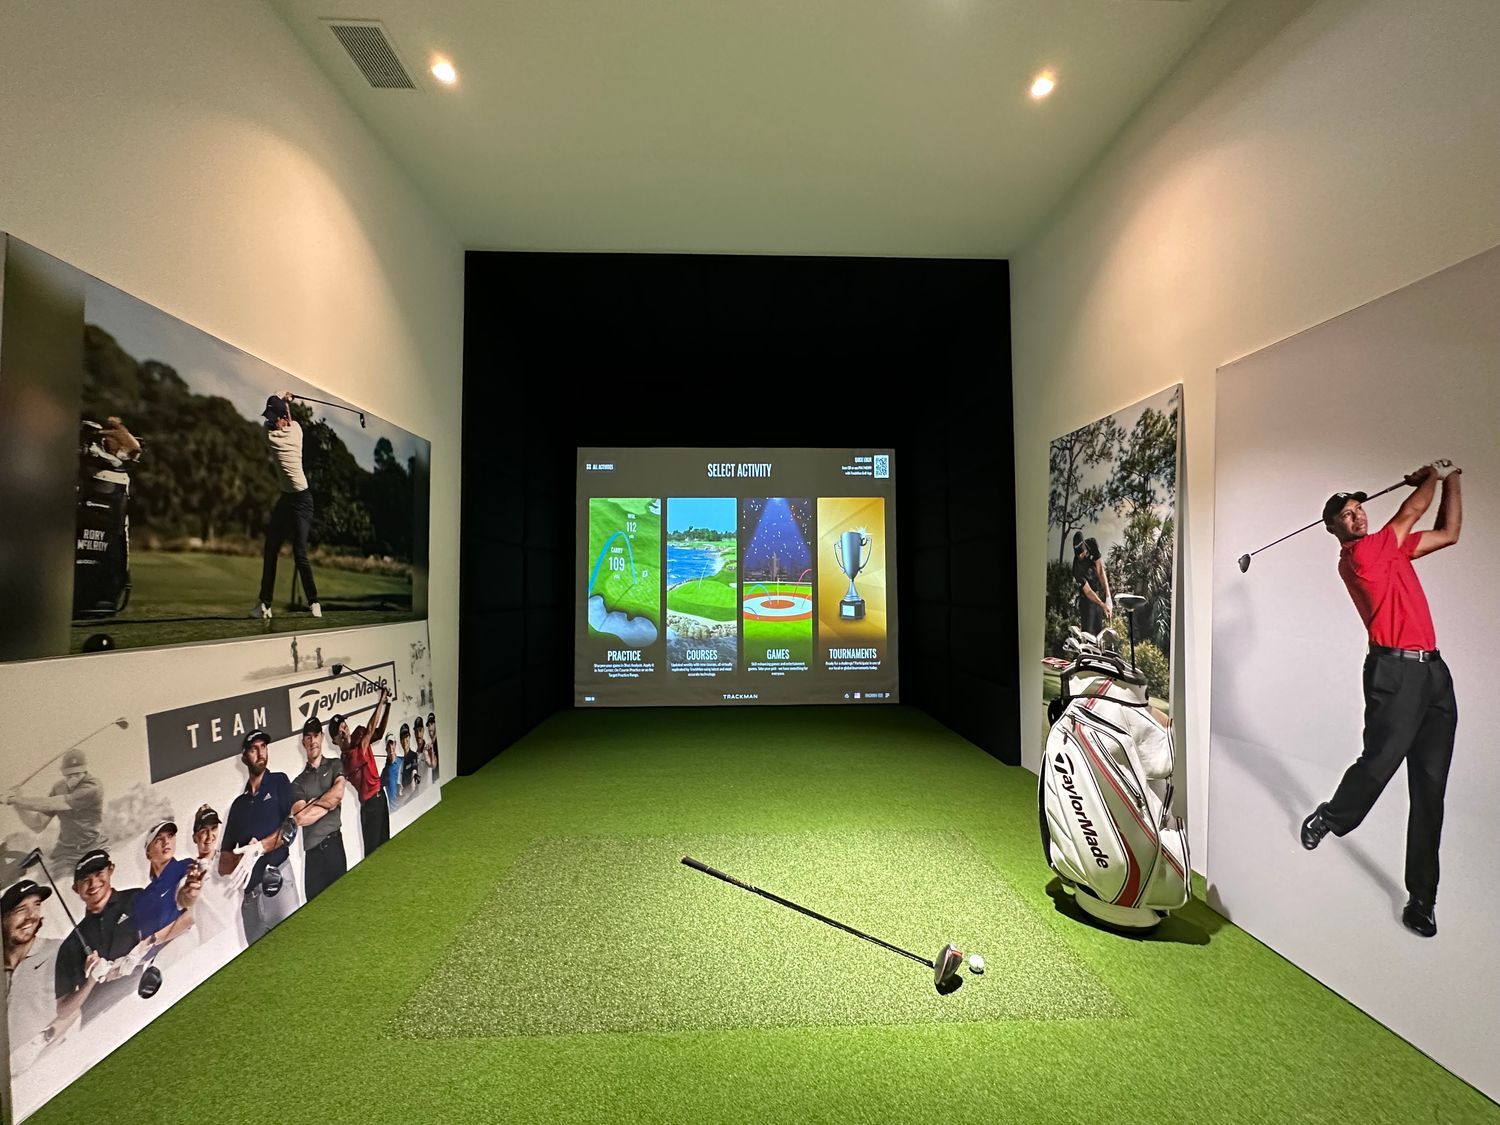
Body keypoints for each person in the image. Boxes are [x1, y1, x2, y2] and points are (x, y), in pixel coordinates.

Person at [1301, 460, 1463, 937]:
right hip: (1394, 672)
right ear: (1332, 528)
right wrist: (1430, 476)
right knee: (1379, 763)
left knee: (1430, 789)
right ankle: (1332, 816)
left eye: (1358, 509)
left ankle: (1423, 899)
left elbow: (1449, 532)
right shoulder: (1360, 556)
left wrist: (1453, 479)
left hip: (1434, 673)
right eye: (1345, 515)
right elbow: (1411, 511)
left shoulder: (1390, 549)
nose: (1356, 516)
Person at [54, 849, 192, 1029]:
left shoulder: (137, 898)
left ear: (111, 869)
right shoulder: (71, 943)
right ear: (76, 888)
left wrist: (145, 945)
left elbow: (186, 920)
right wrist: (90, 982)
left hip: (145, 1001)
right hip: (100, 1024)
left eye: (99, 873)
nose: (93, 883)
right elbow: (63, 1011)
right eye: (85, 880)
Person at [220, 730, 299, 945]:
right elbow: (223, 864)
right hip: (250, 899)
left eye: (263, 747)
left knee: (292, 949)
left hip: (279, 884)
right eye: (254, 749)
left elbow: (291, 826)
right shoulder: (238, 806)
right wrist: (243, 856)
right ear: (245, 757)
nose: (260, 752)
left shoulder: (279, 782)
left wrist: (259, 848)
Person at [251, 392, 320, 620]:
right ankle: (265, 604)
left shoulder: (270, 437)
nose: (271, 423)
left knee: (299, 552)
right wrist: (286, 403)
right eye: (269, 418)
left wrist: (284, 399)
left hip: (302, 502)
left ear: (283, 418)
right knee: (271, 547)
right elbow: (289, 419)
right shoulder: (297, 431)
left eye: (274, 419)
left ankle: (314, 602)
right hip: (287, 499)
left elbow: (281, 417)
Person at [5, 748, 109, 880]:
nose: (73, 779)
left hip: (94, 846)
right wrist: (17, 804)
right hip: (67, 853)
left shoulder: (92, 787)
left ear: (85, 771)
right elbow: (37, 824)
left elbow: (53, 803)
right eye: (69, 775)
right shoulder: (59, 788)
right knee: (63, 885)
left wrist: (14, 800)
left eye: (77, 774)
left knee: (98, 882)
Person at [5, 878, 62, 1069]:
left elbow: (76, 1007)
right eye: (20, 909)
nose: (31, 916)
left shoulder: (59, 950)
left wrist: (41, 1042)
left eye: (36, 905)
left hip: (53, 1061)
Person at [290, 717, 347, 901]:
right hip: (313, 855)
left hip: (334, 847)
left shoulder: (335, 764)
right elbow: (300, 818)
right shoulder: (297, 783)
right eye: (308, 737)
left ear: (322, 737)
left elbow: (338, 794)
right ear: (303, 743)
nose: (312, 740)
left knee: (342, 903)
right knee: (314, 909)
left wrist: (313, 803)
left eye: (316, 735)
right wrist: (329, 804)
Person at [132, 820, 205, 960]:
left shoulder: (186, 866)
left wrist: (154, 939)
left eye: (170, 836)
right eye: (159, 839)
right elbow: (141, 942)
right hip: (158, 961)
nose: (166, 842)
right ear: (148, 852)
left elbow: (192, 909)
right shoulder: (142, 898)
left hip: (190, 949)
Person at [330, 690, 391, 857]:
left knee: (387, 845)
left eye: (344, 726)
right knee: (373, 854)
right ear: (335, 741)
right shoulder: (347, 760)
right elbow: (370, 730)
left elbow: (378, 733)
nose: (344, 731)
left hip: (381, 797)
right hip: (370, 807)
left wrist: (388, 706)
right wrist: (381, 701)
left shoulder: (358, 733)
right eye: (340, 732)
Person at [187, 804, 238, 944]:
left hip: (239, 935)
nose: (210, 836)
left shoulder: (232, 859)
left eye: (214, 828)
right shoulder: (190, 875)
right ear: (194, 837)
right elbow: (186, 907)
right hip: (212, 945)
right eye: (204, 830)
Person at [1071, 530, 1112, 637]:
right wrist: (1102, 604)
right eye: (1078, 554)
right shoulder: (1076, 568)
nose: (1081, 556)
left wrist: (1108, 597)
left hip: (1097, 592)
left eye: (1082, 552)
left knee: (1099, 633)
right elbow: (1088, 591)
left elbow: (1100, 571)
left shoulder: (1092, 544)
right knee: (1088, 634)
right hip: (1087, 599)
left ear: (1085, 546)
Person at [425, 711, 439, 784]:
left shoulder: (438, 742)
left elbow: (434, 765)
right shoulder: (431, 745)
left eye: (432, 724)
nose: (430, 728)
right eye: (428, 725)